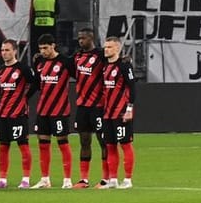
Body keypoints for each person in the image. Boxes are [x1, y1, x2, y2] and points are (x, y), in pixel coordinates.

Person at [0, 39, 39, 189]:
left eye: (7, 50)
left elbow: (35, 83)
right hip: (3, 114)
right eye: (3, 50)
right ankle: (2, 180)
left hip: (18, 114)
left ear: (14, 51)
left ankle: (25, 179)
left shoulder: (22, 69)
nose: (4, 53)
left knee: (23, 145)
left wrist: (25, 97)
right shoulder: (0, 70)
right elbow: (1, 90)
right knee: (3, 146)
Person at [31, 35, 74, 188]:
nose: (43, 51)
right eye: (41, 48)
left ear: (53, 46)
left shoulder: (65, 61)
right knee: (43, 144)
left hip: (60, 110)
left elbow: (79, 77)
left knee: (62, 143)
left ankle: (67, 180)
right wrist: (25, 97)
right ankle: (44, 179)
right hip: (43, 110)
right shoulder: (39, 62)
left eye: (46, 48)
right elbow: (36, 83)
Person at [96, 34, 137, 190]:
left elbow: (132, 87)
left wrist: (129, 109)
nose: (106, 50)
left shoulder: (125, 66)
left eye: (110, 47)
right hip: (107, 113)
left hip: (121, 112)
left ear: (118, 48)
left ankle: (127, 180)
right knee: (110, 145)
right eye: (105, 47)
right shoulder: (105, 66)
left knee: (125, 144)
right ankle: (113, 179)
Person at [71, 27, 105, 188]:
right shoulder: (77, 56)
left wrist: (125, 60)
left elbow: (115, 63)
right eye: (79, 38)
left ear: (91, 38)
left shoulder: (100, 55)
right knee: (84, 142)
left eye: (83, 38)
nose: (80, 41)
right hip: (82, 106)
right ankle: (84, 179)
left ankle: (106, 179)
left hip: (98, 106)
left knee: (103, 142)